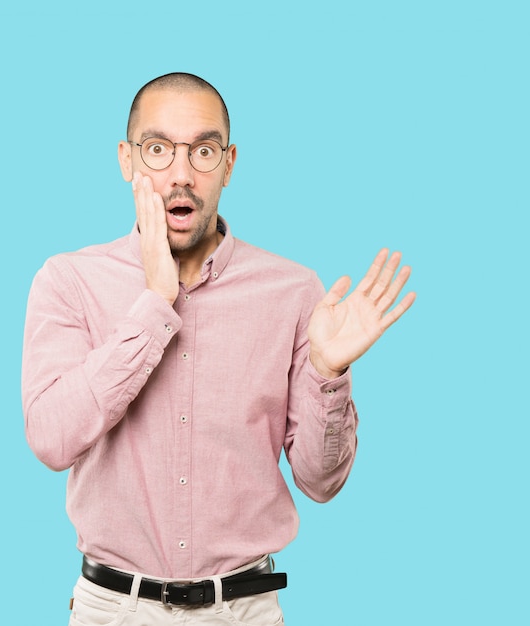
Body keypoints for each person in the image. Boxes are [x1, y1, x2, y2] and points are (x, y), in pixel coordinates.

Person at [22, 72, 416, 625]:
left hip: (244, 611)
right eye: (158, 150)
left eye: (203, 151)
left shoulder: (294, 292)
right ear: (127, 161)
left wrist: (330, 370)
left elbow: (320, 483)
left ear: (229, 164)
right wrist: (156, 304)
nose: (181, 175)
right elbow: (52, 438)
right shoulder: (69, 282)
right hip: (112, 611)